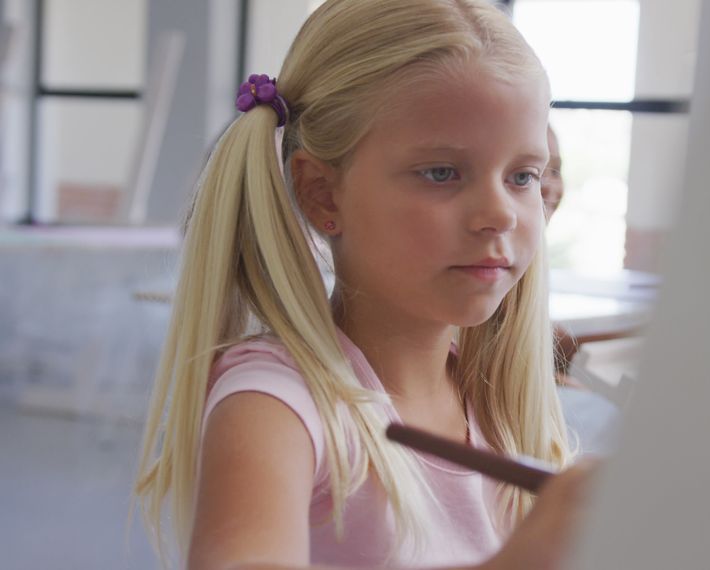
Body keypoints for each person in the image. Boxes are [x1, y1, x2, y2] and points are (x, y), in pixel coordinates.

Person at [133, 1, 596, 568]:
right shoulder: (275, 404)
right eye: (442, 173)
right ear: (323, 193)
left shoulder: (496, 402)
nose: (499, 214)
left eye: (522, 176)